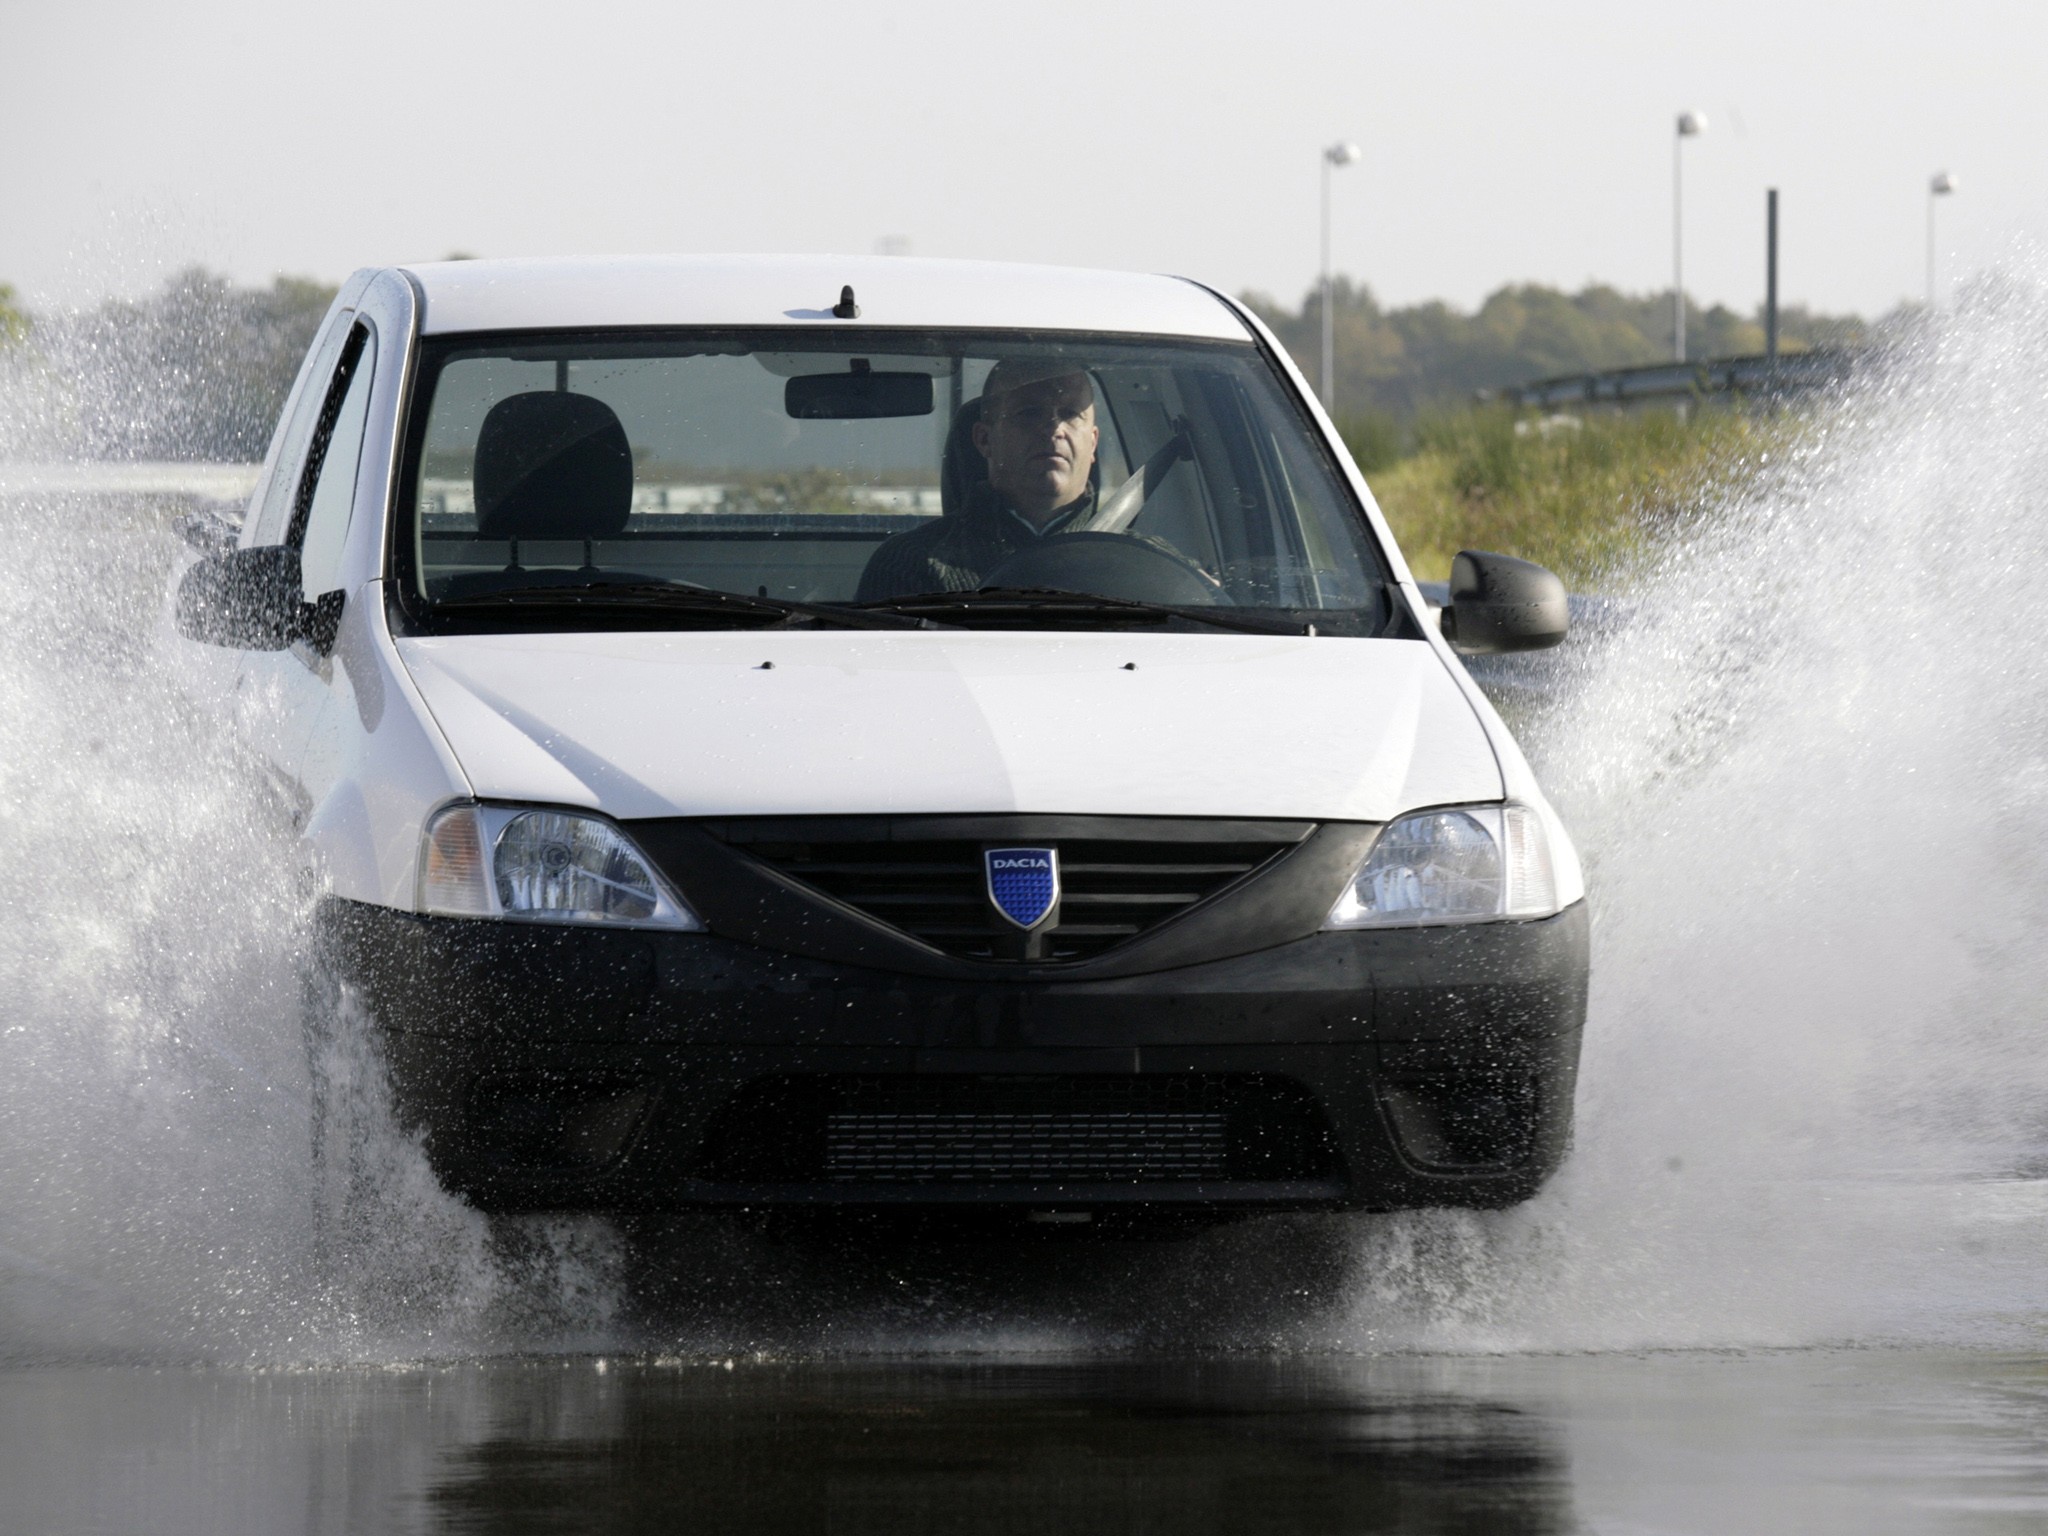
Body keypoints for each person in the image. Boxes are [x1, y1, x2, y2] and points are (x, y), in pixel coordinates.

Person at [855, 359, 1100, 601]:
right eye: (1030, 413)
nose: (1054, 428)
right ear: (984, 439)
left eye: (1070, 413)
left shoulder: (1135, 559)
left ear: (1093, 443)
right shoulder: (908, 562)